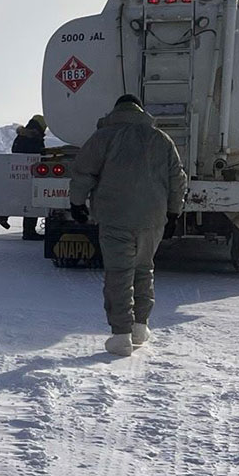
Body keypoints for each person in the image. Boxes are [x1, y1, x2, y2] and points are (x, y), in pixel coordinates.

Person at [67, 94, 187, 356]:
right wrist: (173, 213)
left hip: (115, 217)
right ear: (141, 111)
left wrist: (77, 203)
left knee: (119, 274)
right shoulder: (161, 139)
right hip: (152, 219)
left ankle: (121, 335)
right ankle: (140, 327)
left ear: (116, 111)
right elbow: (177, 178)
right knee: (144, 269)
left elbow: (83, 172)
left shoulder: (103, 137)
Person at [11, 114, 48, 239]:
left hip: (21, 174)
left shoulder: (21, 137)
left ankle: (28, 230)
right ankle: (29, 232)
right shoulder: (34, 138)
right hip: (33, 174)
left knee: (28, 201)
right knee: (33, 201)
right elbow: (38, 153)